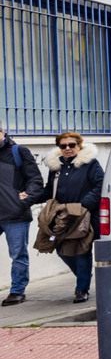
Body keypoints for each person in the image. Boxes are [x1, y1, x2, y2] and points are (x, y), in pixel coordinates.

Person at [33, 132, 104, 303]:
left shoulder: (90, 164)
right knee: (61, 250)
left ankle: (82, 289)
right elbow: (49, 190)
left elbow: (100, 185)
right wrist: (30, 197)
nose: (67, 149)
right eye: (63, 146)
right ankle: (83, 275)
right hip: (63, 217)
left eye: (71, 145)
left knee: (81, 251)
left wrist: (84, 205)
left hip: (84, 215)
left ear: (79, 146)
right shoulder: (56, 167)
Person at [0, 123, 44, 306]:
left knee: (18, 254)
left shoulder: (18, 152)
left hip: (14, 214)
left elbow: (35, 180)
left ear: (2, 132)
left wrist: (23, 202)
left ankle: (17, 291)